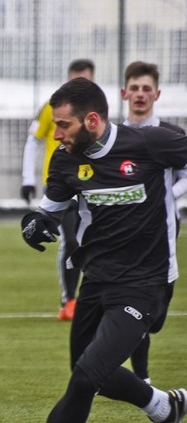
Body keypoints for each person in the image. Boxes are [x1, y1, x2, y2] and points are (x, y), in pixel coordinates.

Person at [0, 77, 187, 423]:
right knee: (88, 376)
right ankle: (162, 406)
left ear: (92, 120)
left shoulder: (153, 144)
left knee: (85, 377)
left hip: (145, 283)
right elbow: (51, 211)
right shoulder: (65, 160)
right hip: (96, 280)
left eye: (63, 126)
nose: (56, 134)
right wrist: (34, 225)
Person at [121, 61, 187, 383]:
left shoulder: (171, 136)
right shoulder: (113, 137)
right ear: (124, 93)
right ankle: (141, 379)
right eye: (134, 88)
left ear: (157, 94)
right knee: (132, 312)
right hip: (122, 243)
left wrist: (165, 196)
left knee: (154, 319)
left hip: (163, 240)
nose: (140, 94)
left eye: (146, 88)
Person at [20, 59, 95, 321]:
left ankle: (93, 297)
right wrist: (27, 178)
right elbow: (33, 140)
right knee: (71, 240)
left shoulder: (97, 113)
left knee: (91, 241)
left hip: (92, 186)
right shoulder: (54, 108)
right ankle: (69, 300)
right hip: (61, 185)